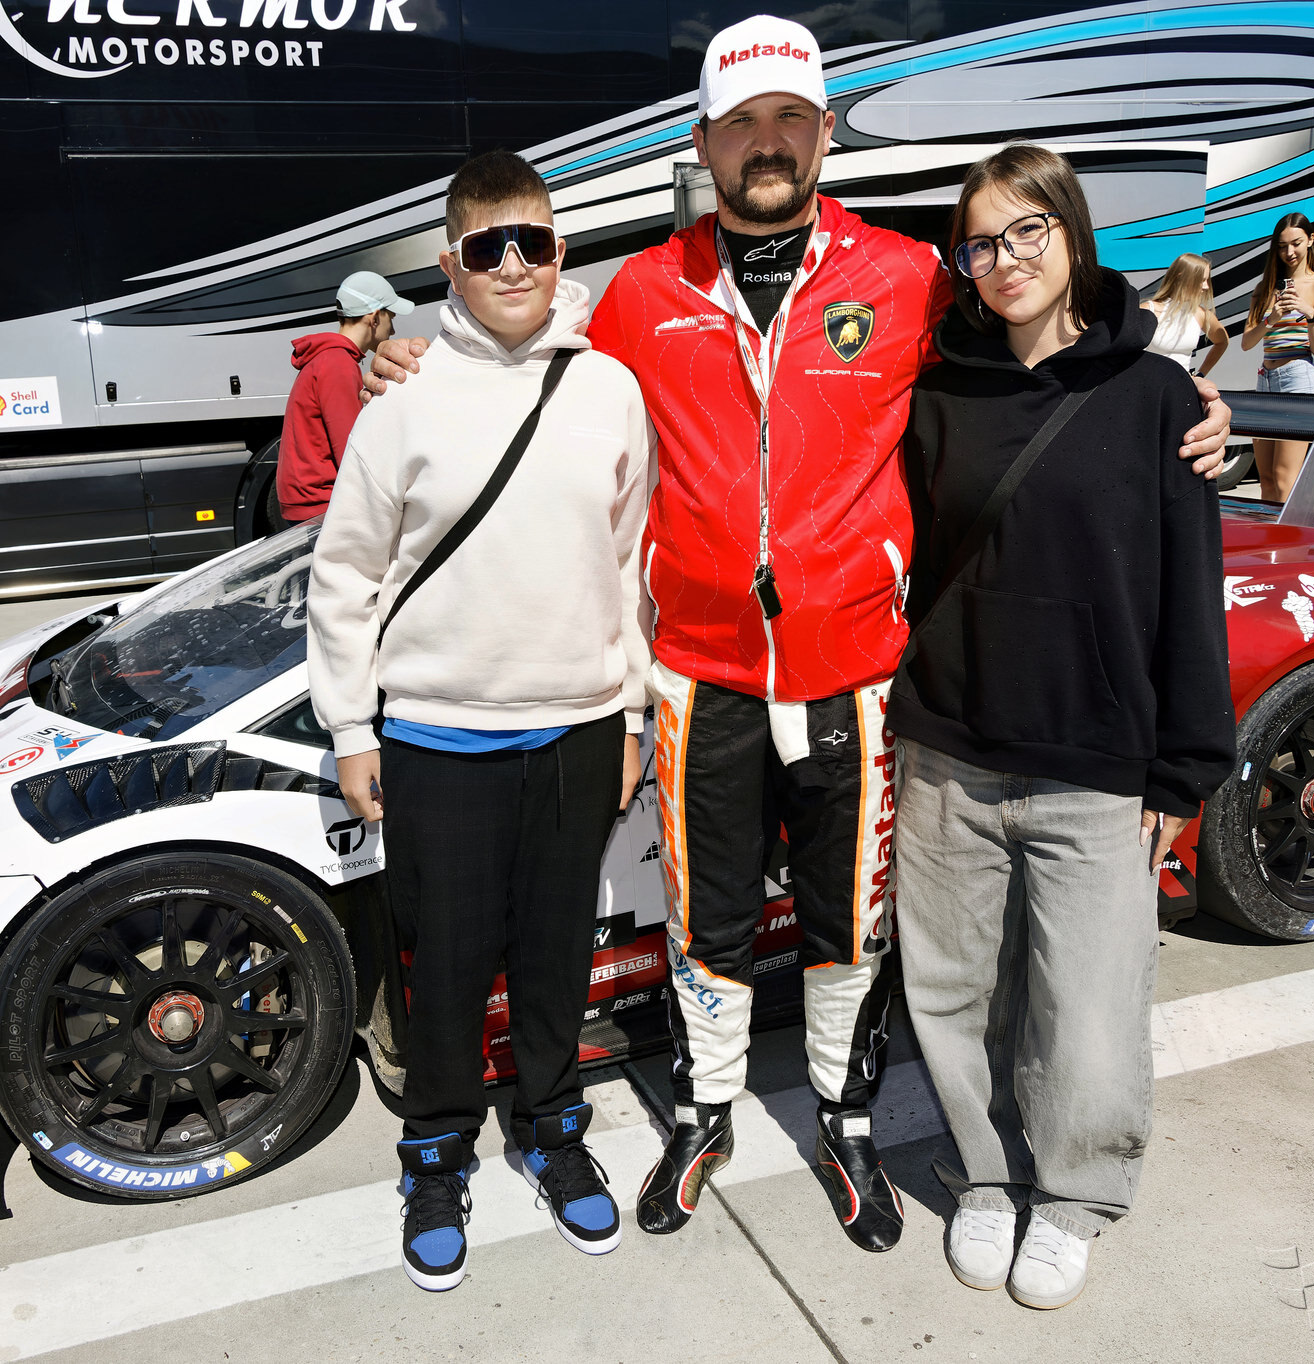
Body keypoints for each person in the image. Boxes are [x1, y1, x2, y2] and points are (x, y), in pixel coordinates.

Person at [364, 16, 1236, 1255]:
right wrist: (404, 354)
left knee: (847, 921)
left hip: (856, 673)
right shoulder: (641, 291)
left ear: (824, 132)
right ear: (702, 141)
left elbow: (1043, 339)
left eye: (787, 120)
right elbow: (522, 353)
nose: (765, 143)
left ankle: (844, 1115)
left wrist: (1173, 382)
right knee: (705, 919)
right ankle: (704, 1111)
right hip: (701, 669)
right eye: (741, 124)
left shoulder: (907, 275)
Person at [890, 144, 1235, 1310]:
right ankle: (984, 1176)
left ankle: (1076, 1192)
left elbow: (1187, 588)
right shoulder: (937, 391)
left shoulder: (1158, 399)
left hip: (1094, 762)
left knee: (1086, 1014)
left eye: (1025, 230)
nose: (1003, 259)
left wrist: (1183, 768)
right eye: (980, 243)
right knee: (954, 998)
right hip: (947, 748)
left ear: (1071, 233)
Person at [306, 151, 653, 1292]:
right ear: (450, 265)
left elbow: (628, 566)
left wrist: (632, 713)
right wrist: (351, 728)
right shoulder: (401, 402)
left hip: (578, 730)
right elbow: (344, 573)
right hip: (437, 736)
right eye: (486, 247)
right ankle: (437, 1149)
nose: (513, 265)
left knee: (556, 956)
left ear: (560, 253)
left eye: (532, 243)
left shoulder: (608, 389)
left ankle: (552, 1126)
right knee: (446, 971)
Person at [275, 271, 413, 523]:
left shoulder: (327, 357)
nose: (393, 329)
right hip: (321, 504)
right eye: (390, 318)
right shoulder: (338, 363)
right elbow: (351, 450)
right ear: (374, 318)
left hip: (308, 501)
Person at [1241, 213, 1314, 501]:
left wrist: (1310, 313)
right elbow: (1247, 342)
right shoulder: (1265, 288)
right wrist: (1271, 319)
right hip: (1266, 380)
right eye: (1282, 246)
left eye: (1295, 243)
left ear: (1310, 240)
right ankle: (1271, 531)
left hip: (1298, 379)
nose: (1289, 252)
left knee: (1284, 479)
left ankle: (1288, 531)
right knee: (1267, 480)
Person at [1145, 252, 1228, 376]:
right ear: (1181, 278)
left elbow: (1222, 341)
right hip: (1150, 382)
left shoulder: (1200, 314)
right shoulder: (1149, 309)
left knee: (1210, 389)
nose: (1206, 286)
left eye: (1207, 280)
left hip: (1182, 383)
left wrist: (1200, 375)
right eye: (1202, 280)